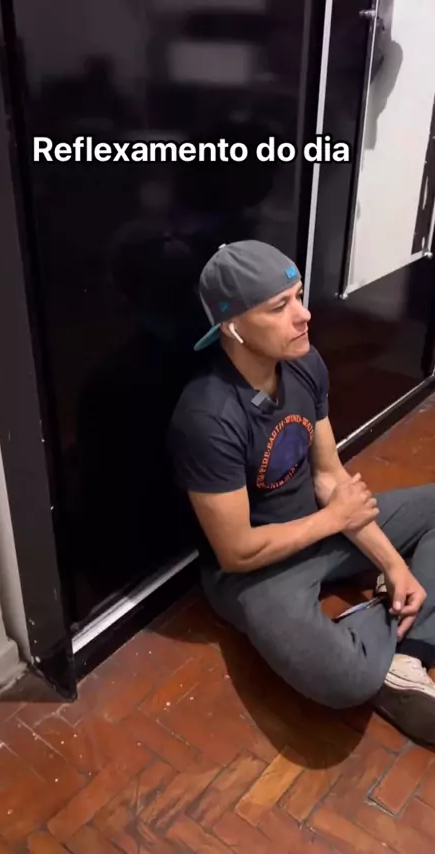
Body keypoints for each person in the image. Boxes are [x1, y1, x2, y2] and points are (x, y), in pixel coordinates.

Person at [168, 239, 435, 745]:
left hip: (319, 526)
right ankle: (390, 640)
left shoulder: (305, 364)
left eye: (298, 296)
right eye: (279, 307)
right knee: (343, 680)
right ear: (233, 328)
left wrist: (392, 565)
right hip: (257, 573)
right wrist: (334, 520)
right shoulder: (206, 417)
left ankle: (407, 653)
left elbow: (330, 477)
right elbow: (237, 550)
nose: (304, 315)